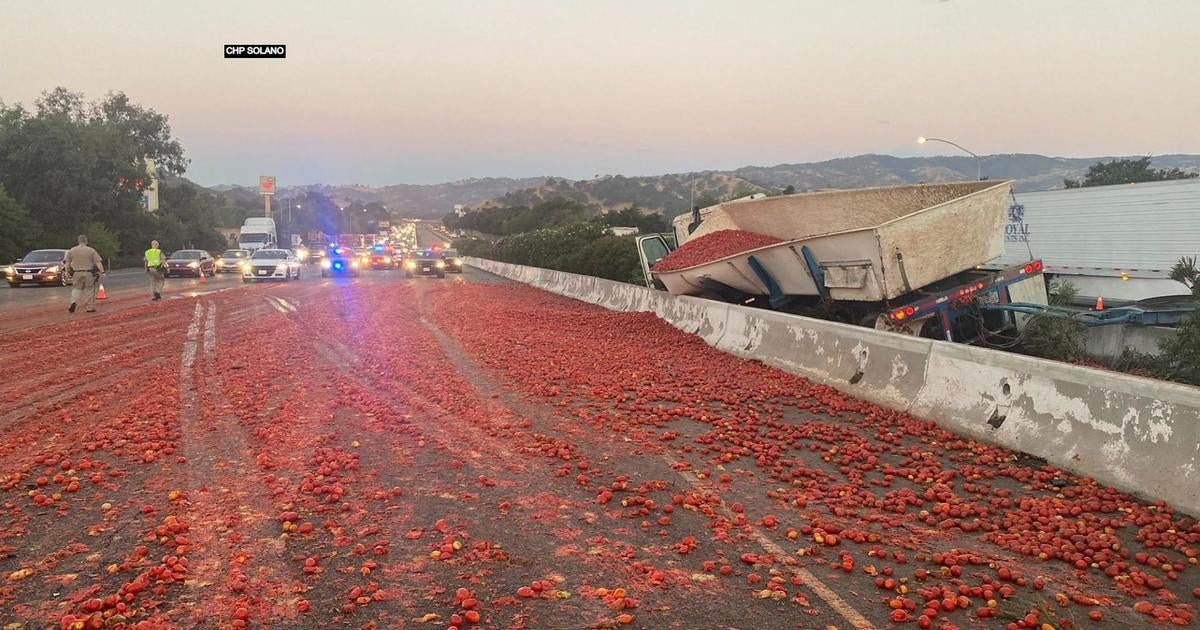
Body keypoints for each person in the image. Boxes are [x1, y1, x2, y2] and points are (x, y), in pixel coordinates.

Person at [65, 234, 104, 313]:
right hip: (88, 272)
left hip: (76, 273)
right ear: (86, 241)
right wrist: (102, 271)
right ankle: (89, 307)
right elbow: (98, 262)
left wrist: (66, 272)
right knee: (89, 289)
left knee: (76, 289)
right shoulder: (91, 250)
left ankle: (73, 302)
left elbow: (67, 263)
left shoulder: (72, 250)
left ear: (78, 241)